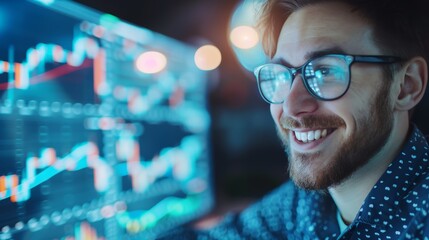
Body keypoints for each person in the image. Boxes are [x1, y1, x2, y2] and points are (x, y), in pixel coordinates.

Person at [157, 0, 429, 239]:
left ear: (406, 86)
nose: (290, 105)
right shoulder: (307, 205)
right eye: (281, 74)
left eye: (325, 72)